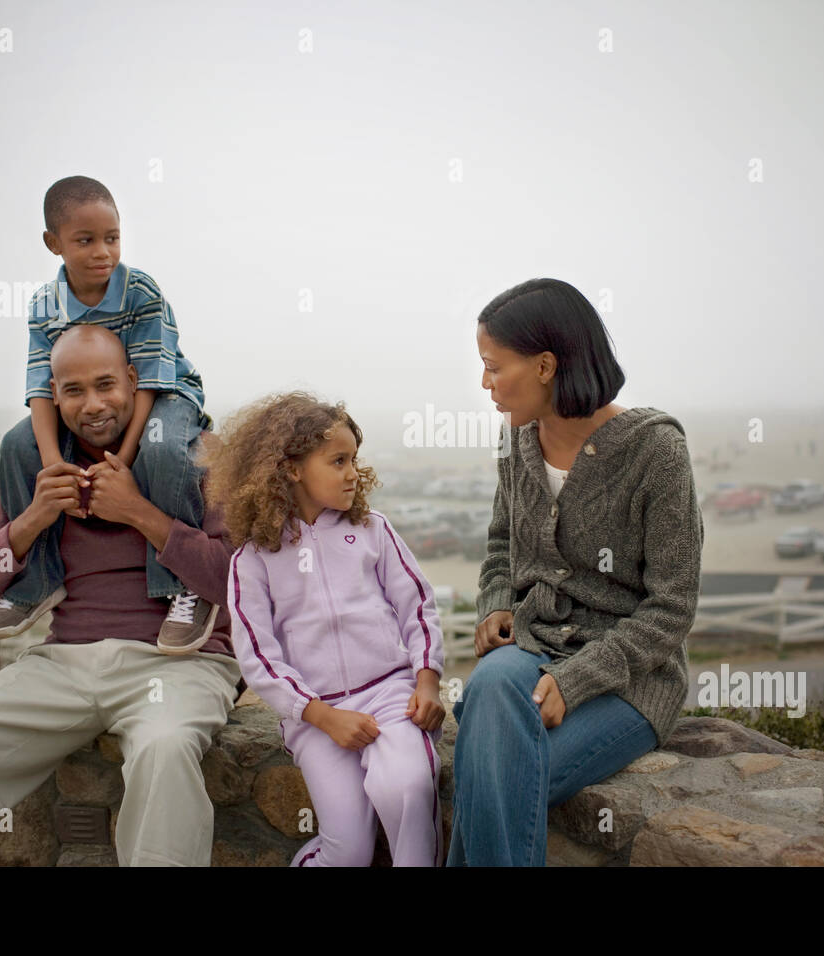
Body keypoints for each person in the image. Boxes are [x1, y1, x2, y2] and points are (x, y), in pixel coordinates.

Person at [0, 325, 241, 866]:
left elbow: (240, 582)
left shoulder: (192, 453)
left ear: (134, 380)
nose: (93, 405)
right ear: (52, 395)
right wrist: (32, 519)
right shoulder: (34, 465)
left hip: (178, 664)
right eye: (74, 390)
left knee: (166, 749)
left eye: (106, 385)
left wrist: (140, 513)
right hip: (62, 665)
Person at [448, 278, 705, 866]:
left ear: (544, 366)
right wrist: (496, 604)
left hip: (631, 682)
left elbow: (672, 607)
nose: (485, 384)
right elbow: (501, 544)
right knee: (490, 688)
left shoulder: (654, 452)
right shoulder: (517, 440)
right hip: (532, 649)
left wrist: (578, 679)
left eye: (493, 367)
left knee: (491, 780)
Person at [202, 392, 446, 866]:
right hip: (314, 716)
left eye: (354, 459)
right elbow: (258, 656)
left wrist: (427, 677)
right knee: (349, 850)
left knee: (406, 788)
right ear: (292, 469)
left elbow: (416, 604)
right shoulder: (252, 561)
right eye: (338, 461)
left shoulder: (373, 530)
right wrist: (318, 716)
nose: (353, 472)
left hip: (390, 696)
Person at [0, 175, 216, 654]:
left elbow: (150, 380)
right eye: (85, 240)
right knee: (15, 444)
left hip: (166, 396)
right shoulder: (46, 306)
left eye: (111, 238)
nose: (102, 252)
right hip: (98, 397)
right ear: (54, 243)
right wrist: (51, 461)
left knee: (163, 447)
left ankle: (182, 586)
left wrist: (124, 458)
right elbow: (42, 393)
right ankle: (35, 583)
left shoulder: (141, 292)